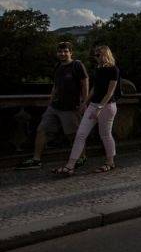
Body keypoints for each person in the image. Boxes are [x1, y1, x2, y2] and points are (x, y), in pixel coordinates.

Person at [16, 42, 89, 170]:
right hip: (55, 106)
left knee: (73, 134)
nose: (62, 54)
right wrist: (50, 100)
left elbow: (85, 82)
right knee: (42, 130)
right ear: (57, 53)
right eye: (60, 52)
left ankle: (82, 157)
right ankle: (36, 159)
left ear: (71, 52)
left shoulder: (77, 65)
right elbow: (56, 85)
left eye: (65, 51)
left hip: (70, 107)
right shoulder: (58, 66)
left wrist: (84, 102)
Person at [52, 45, 120, 176]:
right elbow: (95, 88)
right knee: (81, 134)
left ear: (106, 54)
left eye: (98, 55)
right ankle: (70, 165)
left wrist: (99, 108)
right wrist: (85, 102)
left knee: (105, 135)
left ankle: (110, 162)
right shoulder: (98, 69)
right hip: (93, 105)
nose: (96, 57)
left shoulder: (113, 69)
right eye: (95, 55)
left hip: (107, 106)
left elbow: (110, 92)